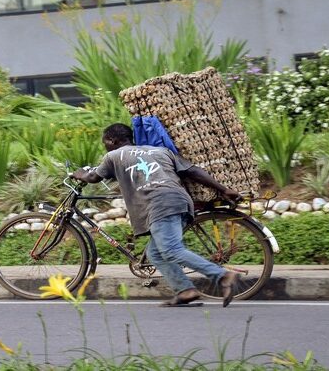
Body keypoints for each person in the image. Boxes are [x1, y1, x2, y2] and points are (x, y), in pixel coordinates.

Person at [72, 123, 243, 307]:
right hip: (181, 201)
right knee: (155, 254)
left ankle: (222, 276)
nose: (105, 146)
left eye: (105, 142)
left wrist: (79, 173)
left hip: (160, 203)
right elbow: (192, 171)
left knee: (170, 250)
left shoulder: (113, 155)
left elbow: (93, 178)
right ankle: (185, 290)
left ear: (112, 140)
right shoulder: (160, 151)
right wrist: (224, 189)